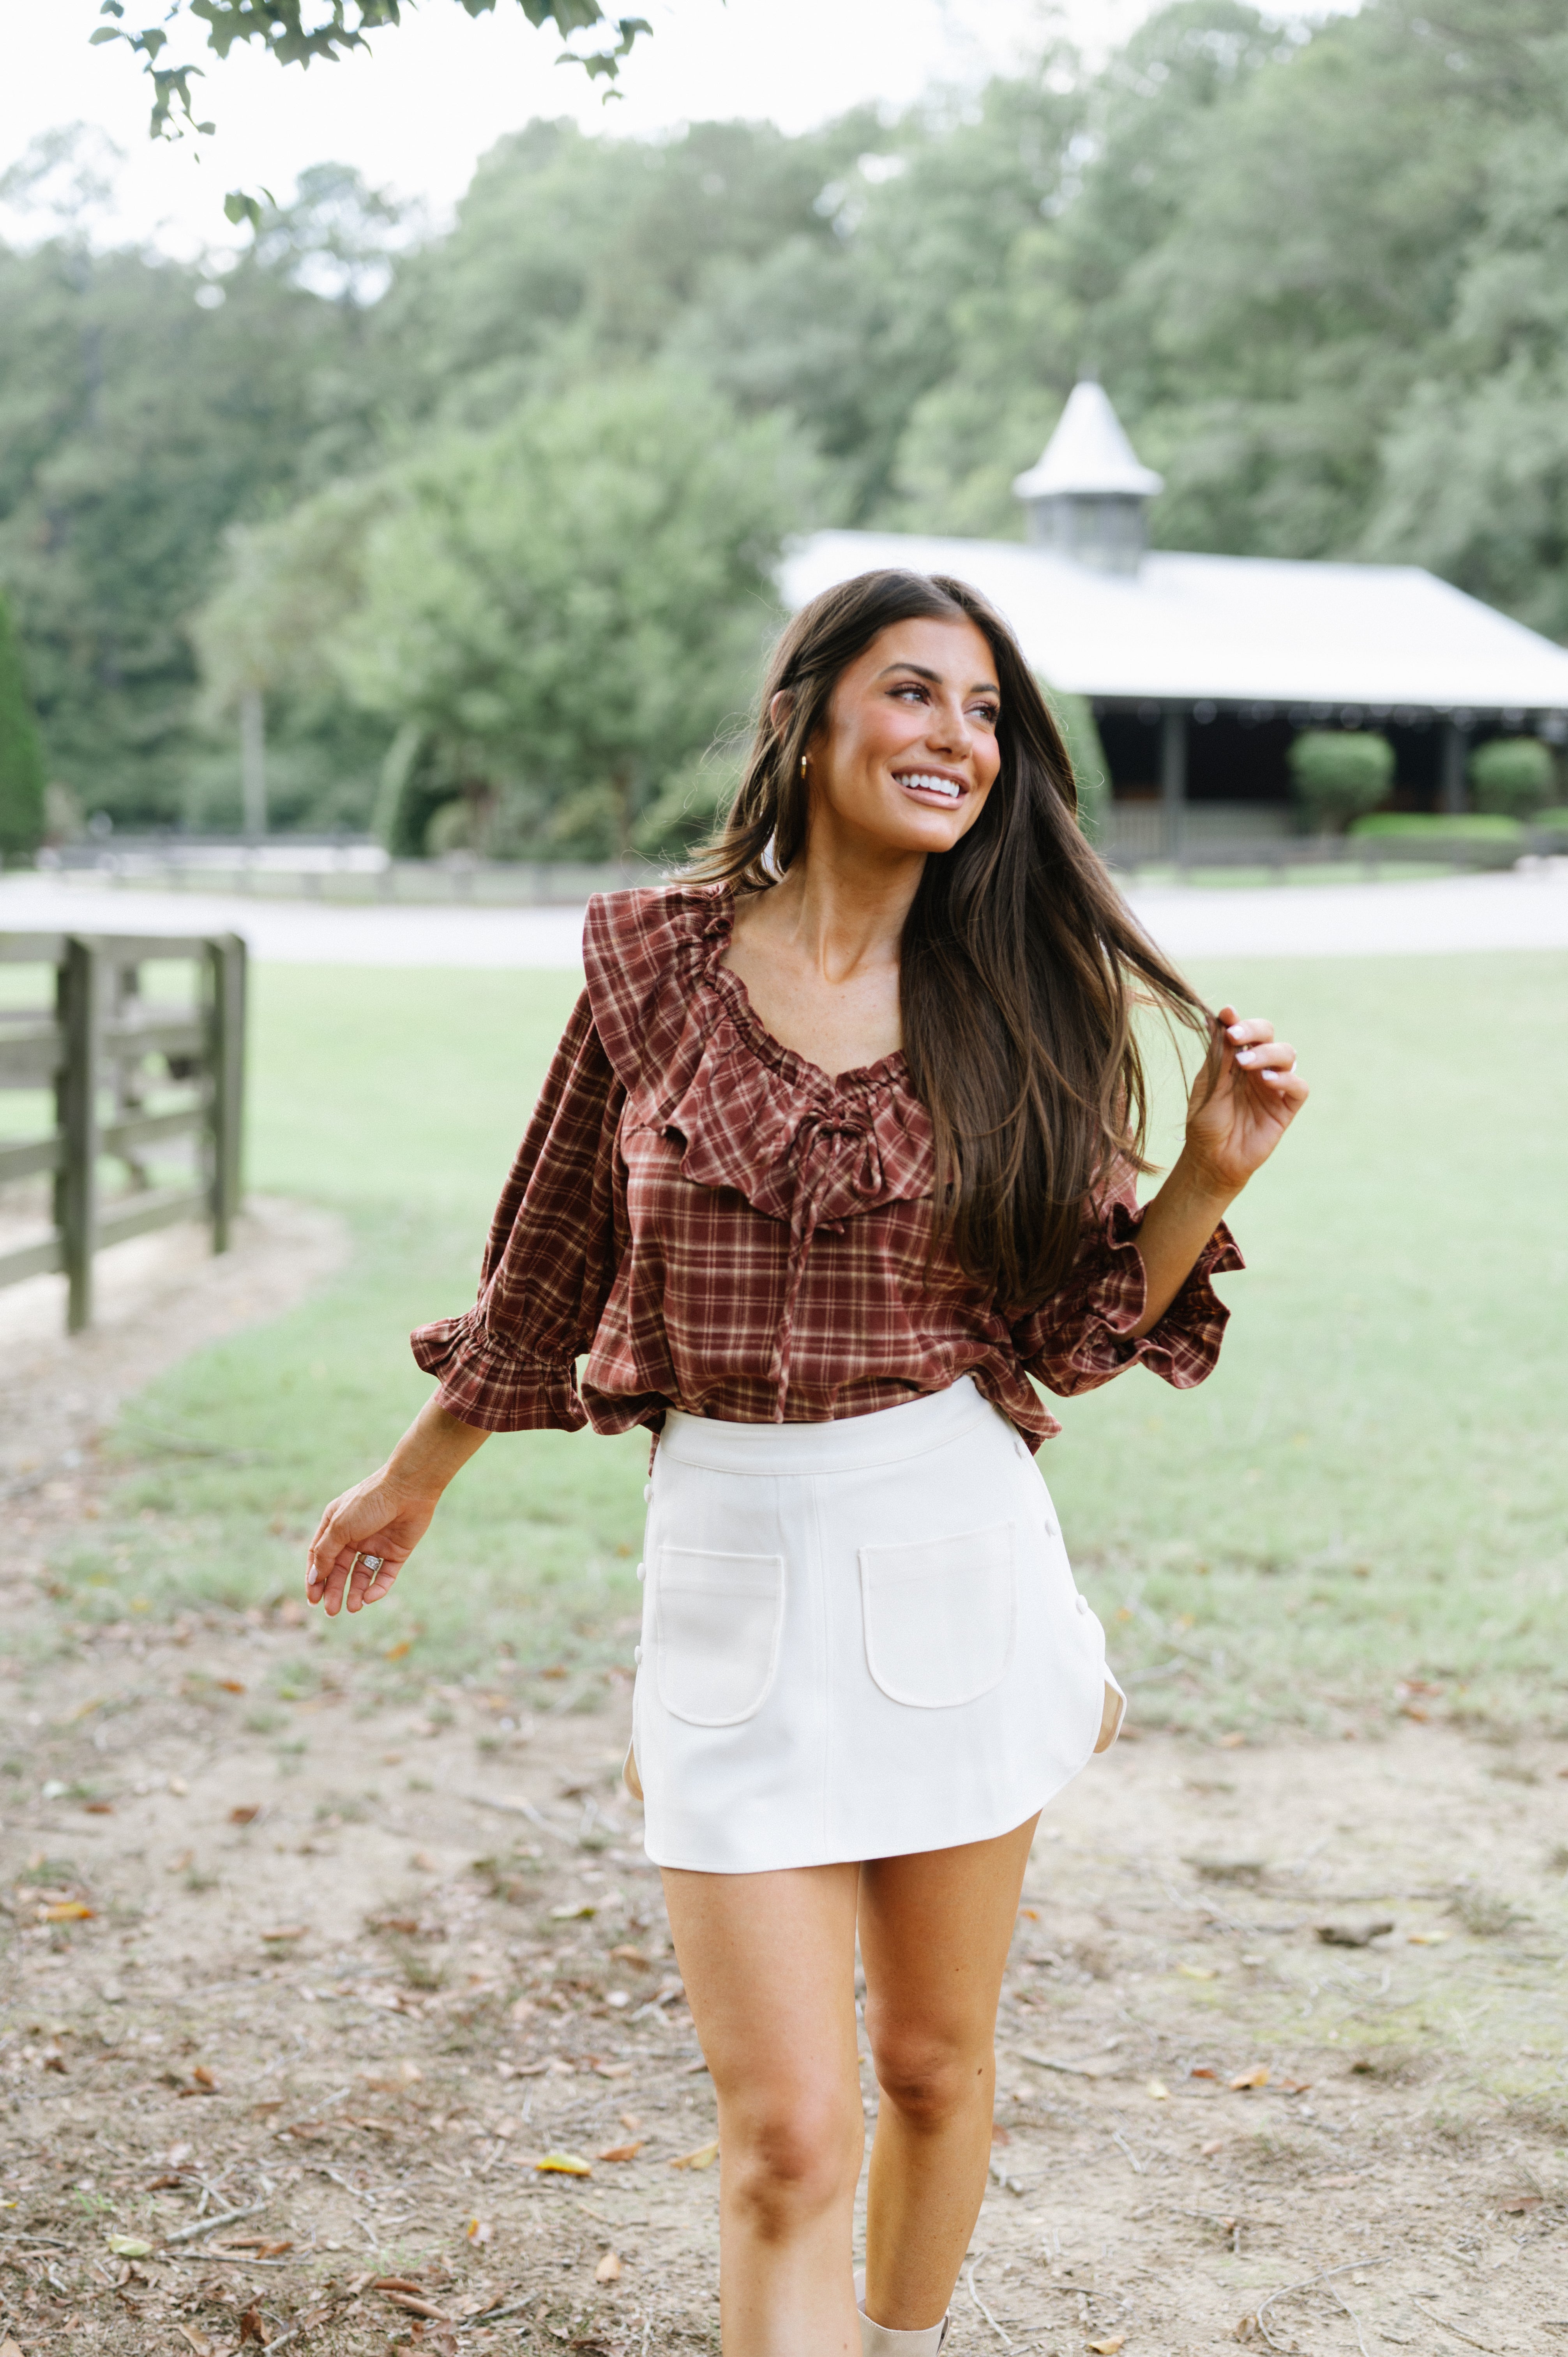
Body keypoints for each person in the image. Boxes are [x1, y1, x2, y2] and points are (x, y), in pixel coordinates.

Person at [306, 570, 1307, 2357]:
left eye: (986, 712)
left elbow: (1077, 1334)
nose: (956, 739)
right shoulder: (653, 967)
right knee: (784, 2136)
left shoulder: (1024, 999)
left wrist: (1207, 1181)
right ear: (806, 715)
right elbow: (546, 1265)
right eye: (915, 694)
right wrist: (412, 1477)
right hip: (728, 1569)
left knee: (930, 2067)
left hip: (949, 1539)